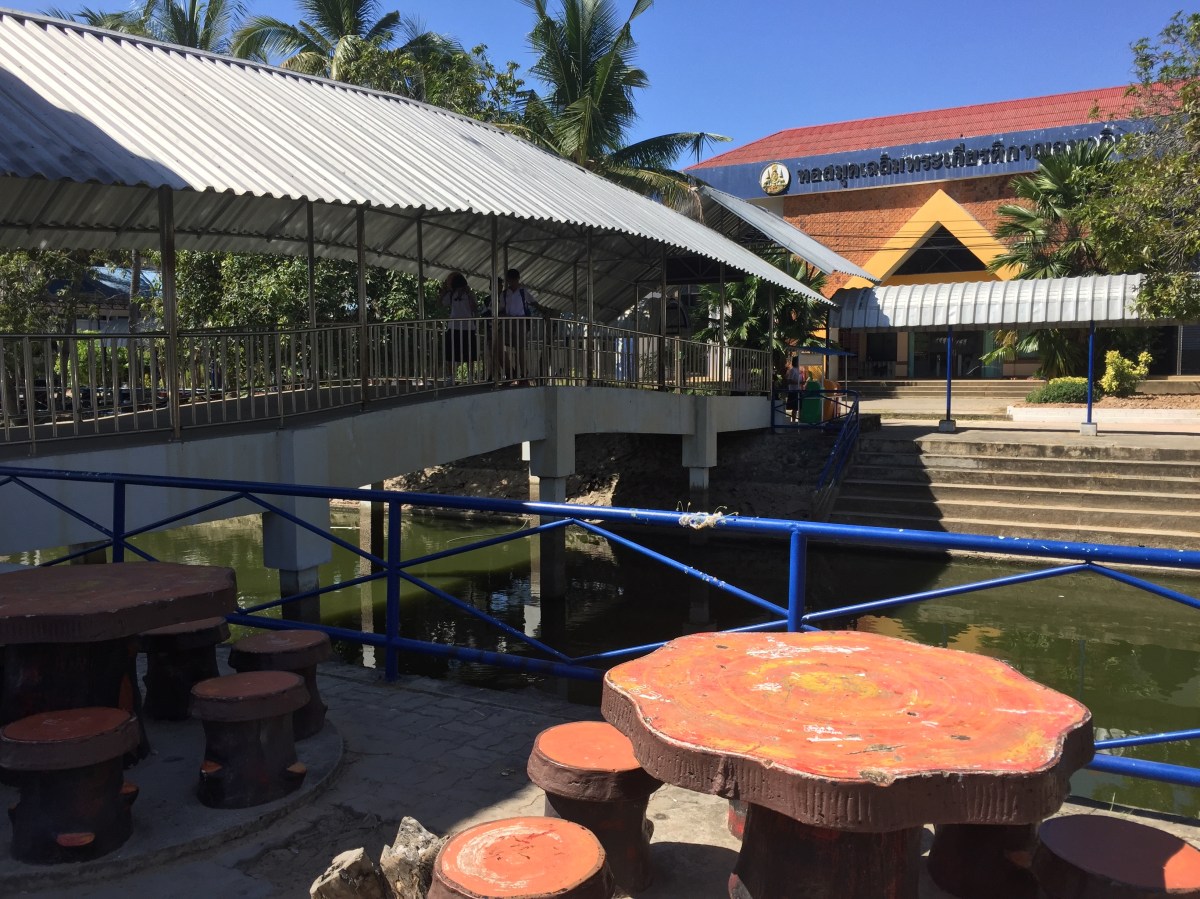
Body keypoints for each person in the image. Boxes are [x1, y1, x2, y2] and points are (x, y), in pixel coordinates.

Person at [496, 268, 538, 385]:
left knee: (520, 349)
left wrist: (544, 311)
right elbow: (501, 310)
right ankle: (509, 372)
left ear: (518, 279)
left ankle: (524, 376)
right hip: (507, 322)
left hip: (520, 322)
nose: (513, 282)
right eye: (510, 280)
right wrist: (503, 315)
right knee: (499, 346)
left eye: (514, 280)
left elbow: (534, 303)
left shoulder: (523, 292)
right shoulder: (504, 294)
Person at [440, 273, 478, 382]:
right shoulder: (451, 294)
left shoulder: (469, 293)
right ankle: (451, 376)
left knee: (469, 353)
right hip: (454, 327)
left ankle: (470, 376)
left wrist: (468, 294)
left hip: (468, 327)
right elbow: (441, 304)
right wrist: (444, 291)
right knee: (451, 353)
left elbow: (474, 307)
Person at [785, 355, 802, 422]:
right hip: (793, 390)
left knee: (799, 407)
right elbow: (789, 380)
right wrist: (798, 383)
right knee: (794, 407)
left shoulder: (799, 370)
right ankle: (793, 421)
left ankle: (799, 420)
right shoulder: (792, 370)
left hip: (798, 390)